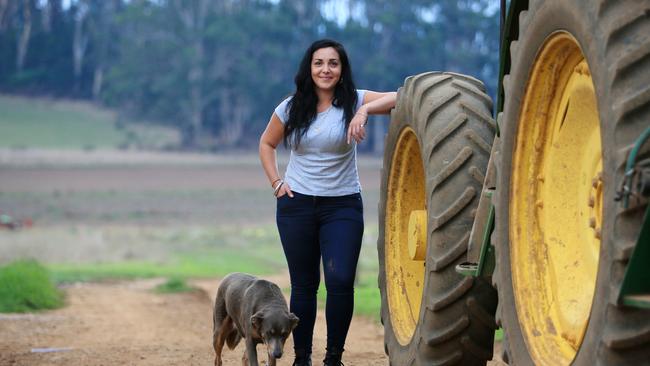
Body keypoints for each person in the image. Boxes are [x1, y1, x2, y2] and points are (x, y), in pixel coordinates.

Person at [259, 39, 396, 366]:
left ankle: (334, 358)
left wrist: (364, 110)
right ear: (309, 68)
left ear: (341, 69)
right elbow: (267, 143)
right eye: (319, 63)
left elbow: (403, 96)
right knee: (304, 285)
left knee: (340, 281)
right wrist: (276, 183)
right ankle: (301, 358)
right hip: (297, 206)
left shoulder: (355, 99)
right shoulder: (290, 107)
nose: (326, 69)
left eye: (333, 63)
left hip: (343, 206)